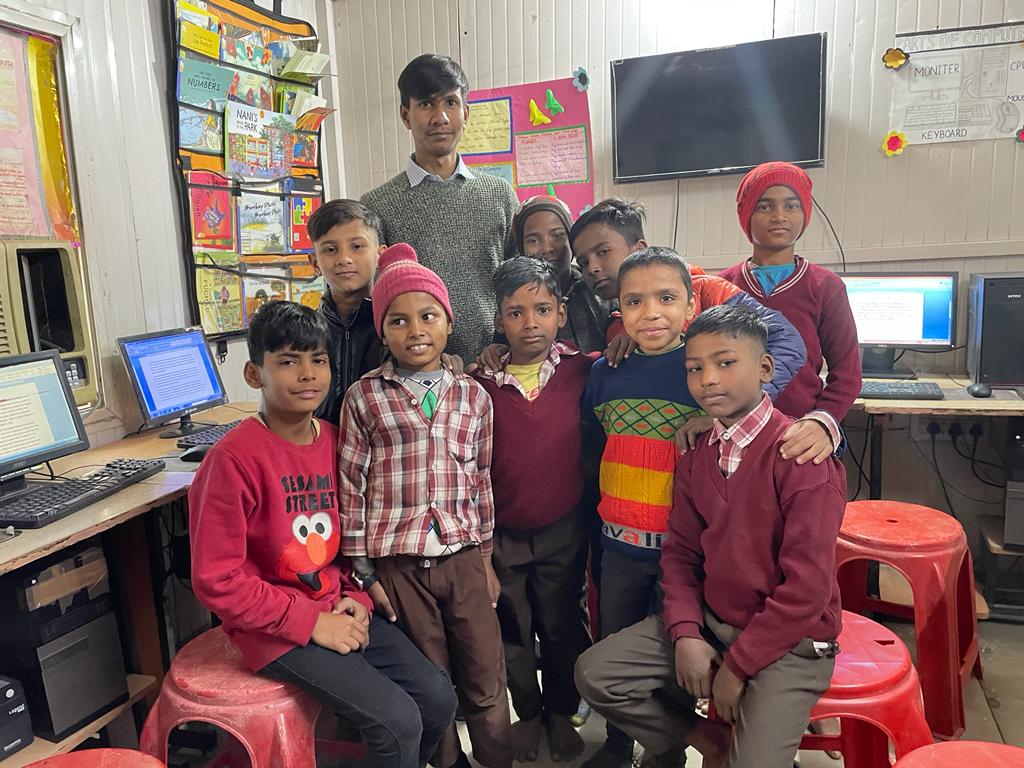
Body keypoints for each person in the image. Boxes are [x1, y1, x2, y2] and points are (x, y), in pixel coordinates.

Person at [188, 301, 457, 768]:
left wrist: (358, 596)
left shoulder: (336, 439)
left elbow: (350, 535)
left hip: (337, 604)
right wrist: (311, 623)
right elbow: (218, 580)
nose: (307, 374)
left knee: (438, 700)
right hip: (272, 628)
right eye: (288, 362)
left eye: (319, 360)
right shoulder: (232, 460)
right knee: (397, 723)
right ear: (255, 374)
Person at [575, 304, 845, 768]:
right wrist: (686, 634)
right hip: (713, 621)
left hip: (790, 643)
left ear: (764, 368)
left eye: (725, 363)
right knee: (596, 674)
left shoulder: (802, 458)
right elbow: (679, 554)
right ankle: (705, 740)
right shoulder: (698, 451)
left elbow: (806, 591)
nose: (709, 380)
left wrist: (737, 669)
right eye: (695, 368)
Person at [337, 243, 512, 768]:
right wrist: (364, 572)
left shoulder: (473, 395)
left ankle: (496, 756)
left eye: (428, 315)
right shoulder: (364, 397)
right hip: (398, 565)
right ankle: (448, 761)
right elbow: (351, 487)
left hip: (463, 556)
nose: (415, 329)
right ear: (383, 331)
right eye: (398, 320)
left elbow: (481, 479)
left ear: (448, 322)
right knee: (431, 678)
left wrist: (485, 560)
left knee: (485, 670)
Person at [473, 258, 595, 763]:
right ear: (498, 320)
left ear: (561, 313)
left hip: (564, 527)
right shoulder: (478, 383)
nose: (530, 323)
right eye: (515, 312)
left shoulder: (584, 370)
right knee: (513, 630)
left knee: (563, 623)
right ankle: (528, 715)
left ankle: (563, 713)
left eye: (542, 309)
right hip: (502, 534)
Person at [361, 53, 519, 361]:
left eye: (450, 103)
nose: (440, 117)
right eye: (426, 104)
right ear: (406, 116)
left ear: (466, 112)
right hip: (417, 371)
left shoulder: (499, 194)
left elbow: (518, 283)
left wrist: (504, 344)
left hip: (499, 364)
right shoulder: (376, 205)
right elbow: (380, 301)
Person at [719, 161, 861, 466]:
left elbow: (847, 376)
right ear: (746, 215)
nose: (779, 216)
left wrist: (822, 423)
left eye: (792, 205)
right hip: (733, 437)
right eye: (765, 206)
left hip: (800, 438)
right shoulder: (722, 287)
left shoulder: (825, 287)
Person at [307, 199, 386, 425]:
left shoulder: (395, 327)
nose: (344, 259)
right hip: (317, 452)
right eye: (330, 250)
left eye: (357, 246)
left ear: (380, 255)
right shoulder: (303, 332)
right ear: (314, 262)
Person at [513, 195, 609, 352]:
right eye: (533, 240)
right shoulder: (513, 299)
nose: (547, 248)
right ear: (521, 248)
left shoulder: (598, 288)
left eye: (557, 235)